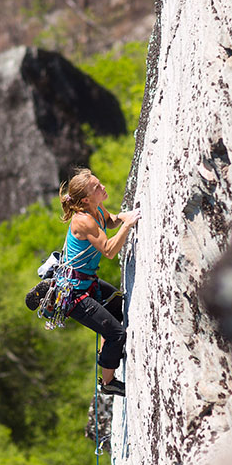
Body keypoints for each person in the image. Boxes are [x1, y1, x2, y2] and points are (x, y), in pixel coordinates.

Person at [56, 167, 140, 396]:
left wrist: (123, 218)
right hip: (74, 295)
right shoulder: (83, 221)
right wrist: (128, 225)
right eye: (97, 187)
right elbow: (109, 250)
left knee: (118, 307)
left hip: (87, 284)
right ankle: (108, 383)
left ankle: (107, 354)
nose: (102, 187)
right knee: (117, 334)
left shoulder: (95, 209)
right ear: (85, 199)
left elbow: (110, 220)